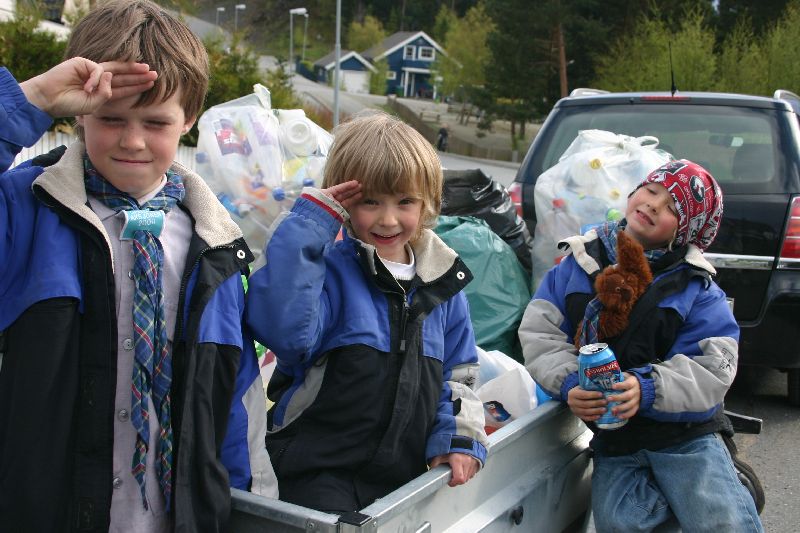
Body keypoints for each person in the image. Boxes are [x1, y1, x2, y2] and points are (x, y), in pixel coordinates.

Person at [0, 2, 276, 531]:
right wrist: (30, 101)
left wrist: (248, 508)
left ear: (189, 119)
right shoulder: (24, 210)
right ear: (78, 113)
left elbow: (235, 404)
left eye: (155, 122)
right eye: (110, 119)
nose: (132, 141)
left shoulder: (217, 247)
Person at [244, 111, 488, 513]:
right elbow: (284, 334)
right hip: (315, 471)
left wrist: (458, 438)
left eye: (405, 201)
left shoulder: (443, 284)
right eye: (370, 201)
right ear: (342, 201)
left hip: (404, 474)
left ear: (427, 203)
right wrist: (309, 226)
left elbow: (459, 378)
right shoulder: (327, 272)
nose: (388, 219)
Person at [519, 160, 764, 532]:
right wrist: (570, 383)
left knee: (720, 521)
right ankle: (693, 493)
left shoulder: (697, 288)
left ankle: (726, 485)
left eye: (671, 208)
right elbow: (541, 334)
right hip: (616, 439)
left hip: (685, 435)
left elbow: (713, 367)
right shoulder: (578, 264)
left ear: (684, 232)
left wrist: (647, 387)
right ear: (634, 192)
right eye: (651, 191)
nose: (653, 205)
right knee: (621, 522)